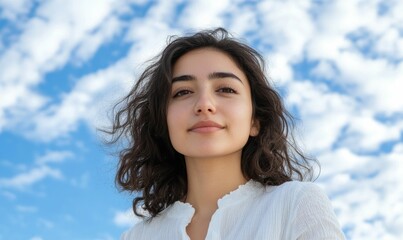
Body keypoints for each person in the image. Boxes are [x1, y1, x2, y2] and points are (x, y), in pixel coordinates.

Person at [107, 28, 345, 240]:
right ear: (163, 122)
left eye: (225, 89)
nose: (204, 104)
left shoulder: (296, 204)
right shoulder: (138, 236)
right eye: (182, 92)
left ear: (255, 121)